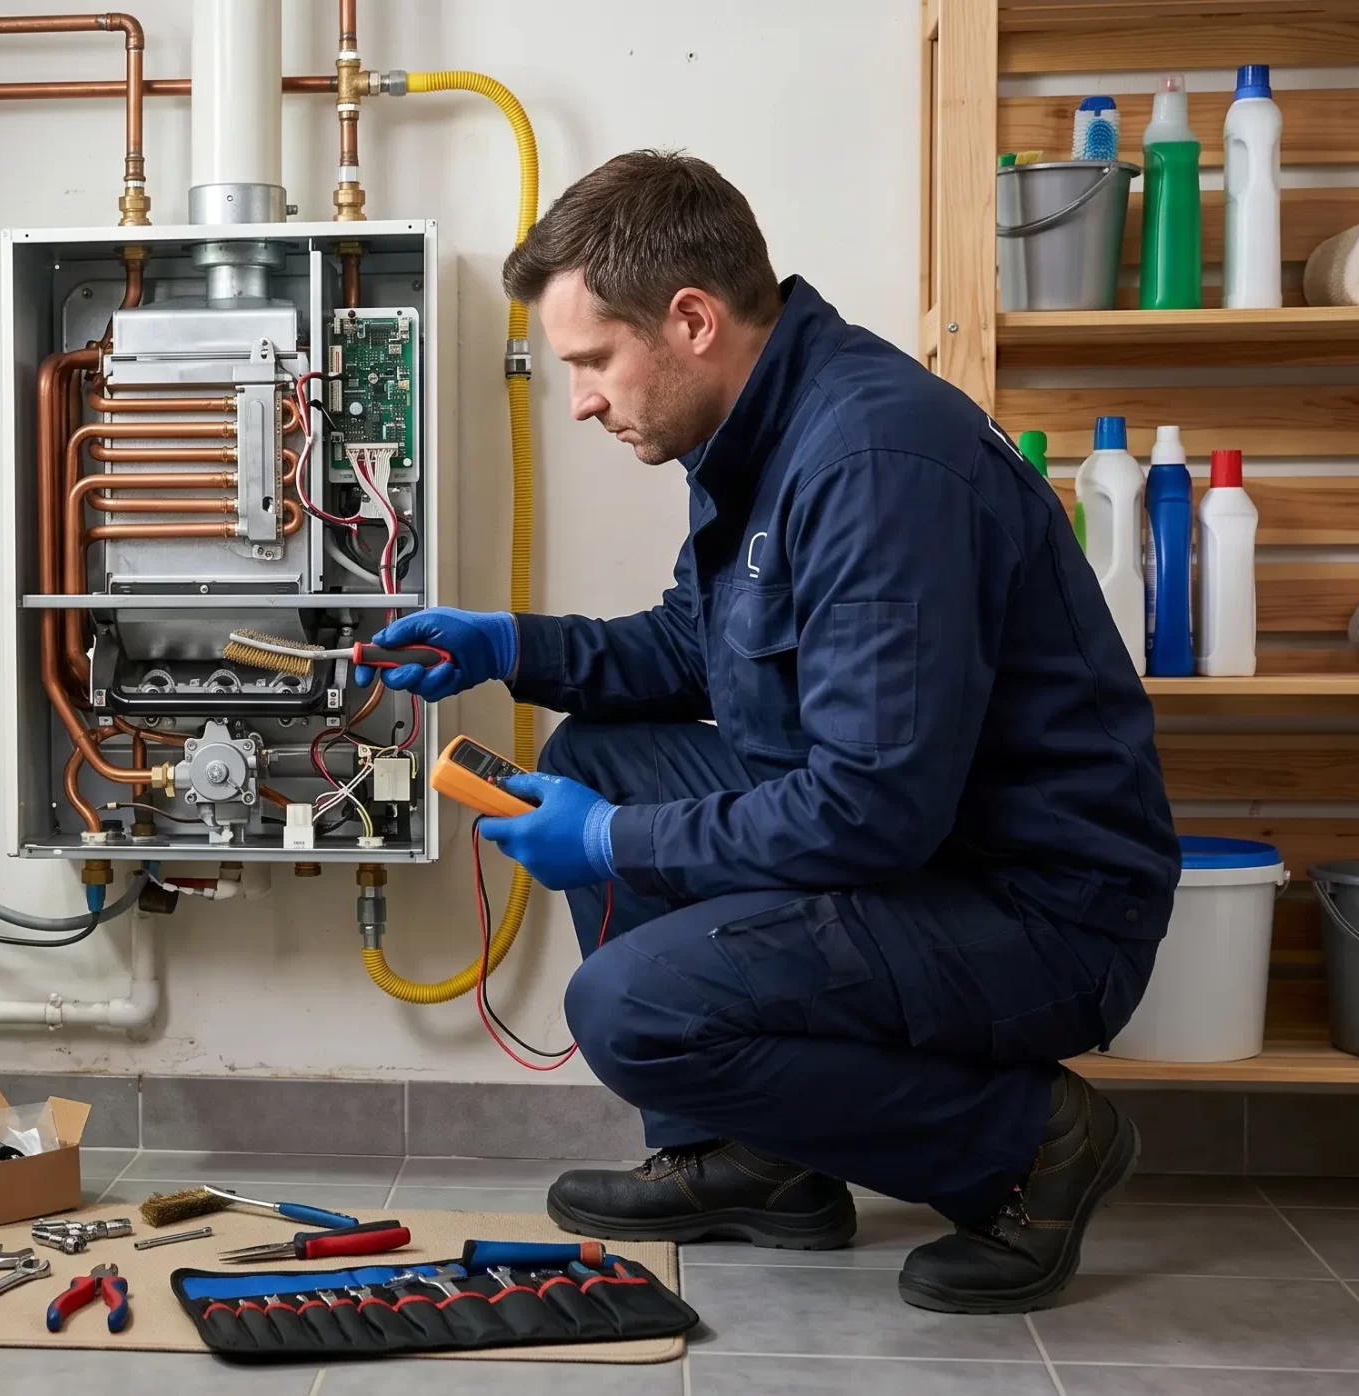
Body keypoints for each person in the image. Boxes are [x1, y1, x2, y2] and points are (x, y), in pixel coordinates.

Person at [366, 150, 1179, 1314]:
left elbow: (870, 810)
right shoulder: (760, 430)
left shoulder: (872, 463)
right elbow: (698, 646)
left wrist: (615, 848)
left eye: (593, 362)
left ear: (689, 319)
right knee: (593, 753)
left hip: (1035, 910)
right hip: (928, 843)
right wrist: (509, 646)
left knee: (629, 1009)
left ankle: (1029, 1147)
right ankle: (756, 1162)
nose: (584, 398)